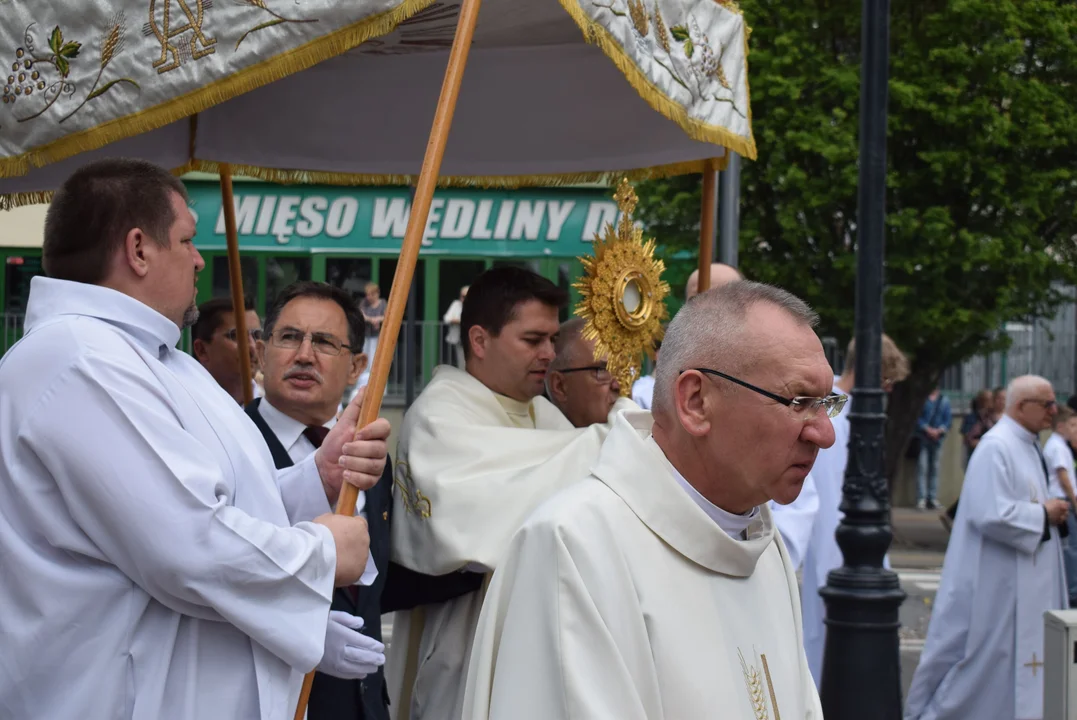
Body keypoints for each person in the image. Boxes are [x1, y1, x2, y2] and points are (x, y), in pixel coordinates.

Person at [0, 158, 392, 720]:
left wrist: (316, 478)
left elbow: (222, 505)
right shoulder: (80, 360)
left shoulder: (159, 359)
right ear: (138, 249)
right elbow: (188, 546)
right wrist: (324, 553)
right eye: (187, 239)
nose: (199, 259)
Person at [462, 281, 837, 720]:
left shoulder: (762, 545)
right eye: (798, 402)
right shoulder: (576, 548)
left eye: (827, 403)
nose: (824, 434)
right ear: (695, 401)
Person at [386, 266, 637, 720]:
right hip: (463, 642)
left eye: (552, 341)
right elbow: (476, 526)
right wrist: (620, 435)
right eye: (532, 340)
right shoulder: (439, 418)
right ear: (480, 340)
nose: (548, 354)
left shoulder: (543, 415)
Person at [245, 281, 393, 720]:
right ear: (260, 352)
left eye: (325, 342)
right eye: (289, 337)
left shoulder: (368, 451)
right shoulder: (228, 445)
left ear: (357, 367)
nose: (304, 355)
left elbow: (382, 580)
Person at [905, 375, 1068, 720]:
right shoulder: (997, 446)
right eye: (1048, 403)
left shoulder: (1027, 443)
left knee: (1008, 664)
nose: (1054, 411)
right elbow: (989, 512)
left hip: (1019, 581)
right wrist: (1044, 513)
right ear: (1022, 406)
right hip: (996, 583)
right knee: (981, 662)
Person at [800, 333, 910, 686]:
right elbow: (829, 502)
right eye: (887, 381)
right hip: (834, 560)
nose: (888, 392)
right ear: (870, 373)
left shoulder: (841, 410)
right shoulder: (835, 415)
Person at [545, 317, 621, 428]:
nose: (618, 385)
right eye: (602, 371)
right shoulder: (538, 443)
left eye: (622, 370)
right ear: (560, 386)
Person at [191, 295, 263, 404]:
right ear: (202, 350)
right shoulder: (184, 405)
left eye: (256, 335)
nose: (252, 347)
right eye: (236, 336)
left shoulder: (274, 409)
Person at [1042, 405, 1077, 608]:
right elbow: (1063, 477)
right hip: (1063, 499)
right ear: (1061, 426)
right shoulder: (1057, 446)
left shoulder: (1061, 445)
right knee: (1071, 548)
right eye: (1072, 425)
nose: (1075, 429)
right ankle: (1072, 591)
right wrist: (1074, 501)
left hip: (1065, 499)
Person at [915, 386, 952, 509]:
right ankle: (922, 498)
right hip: (923, 437)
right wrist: (927, 429)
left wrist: (939, 431)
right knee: (922, 467)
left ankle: (932, 497)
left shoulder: (944, 400)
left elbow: (948, 420)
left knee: (935, 468)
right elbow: (917, 418)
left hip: (937, 439)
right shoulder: (923, 399)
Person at [358, 283, 386, 387]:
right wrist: (372, 320)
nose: (368, 297)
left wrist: (378, 319)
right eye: (367, 295)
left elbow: (387, 316)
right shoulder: (364, 303)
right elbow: (361, 315)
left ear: (376, 294)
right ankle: (363, 385)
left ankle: (376, 385)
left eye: (370, 295)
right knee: (365, 358)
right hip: (366, 336)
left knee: (375, 359)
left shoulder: (383, 303)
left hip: (377, 336)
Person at [443, 285, 468, 368]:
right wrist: (458, 321)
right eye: (462, 296)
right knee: (460, 363)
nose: (464, 299)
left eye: (466, 296)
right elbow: (446, 318)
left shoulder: (476, 305)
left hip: (470, 340)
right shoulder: (456, 304)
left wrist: (458, 320)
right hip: (457, 339)